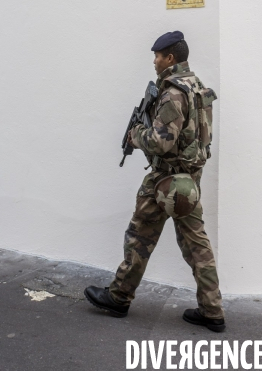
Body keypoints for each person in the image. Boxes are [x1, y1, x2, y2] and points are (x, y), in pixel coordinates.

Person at [84, 31, 225, 332]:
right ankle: (212, 310)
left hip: (166, 179)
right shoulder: (196, 85)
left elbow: (161, 142)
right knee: (197, 245)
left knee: (140, 237)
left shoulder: (173, 91)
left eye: (158, 56)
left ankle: (119, 297)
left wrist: (135, 135)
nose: (155, 61)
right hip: (189, 181)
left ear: (170, 58)